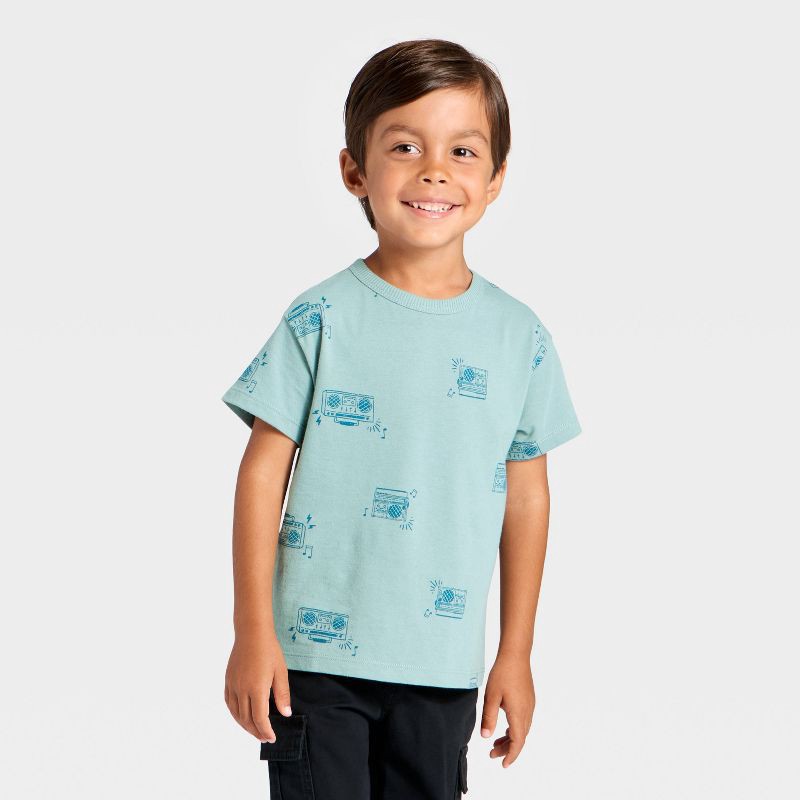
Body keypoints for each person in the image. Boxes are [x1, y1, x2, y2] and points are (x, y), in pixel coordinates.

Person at [221, 38, 582, 800]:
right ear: (355, 170)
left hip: (440, 665)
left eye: (462, 151)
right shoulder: (319, 318)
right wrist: (252, 630)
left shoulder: (519, 337)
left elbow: (527, 498)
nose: (434, 171)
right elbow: (261, 477)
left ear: (495, 178)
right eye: (405, 147)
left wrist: (515, 651)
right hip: (313, 663)